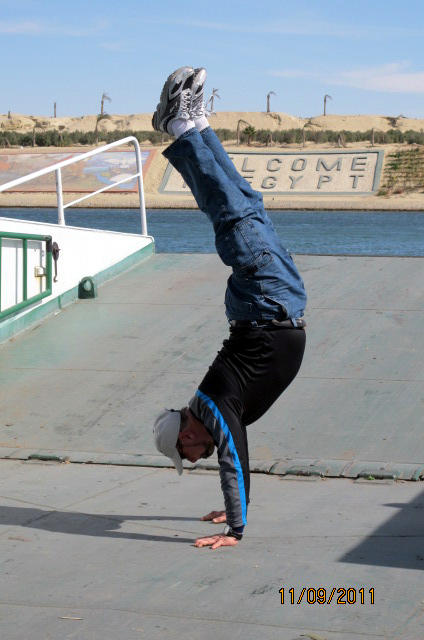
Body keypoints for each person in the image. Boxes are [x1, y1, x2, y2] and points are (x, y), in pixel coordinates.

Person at [152, 67, 307, 550]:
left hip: (264, 299)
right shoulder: (218, 411)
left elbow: (230, 460)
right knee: (245, 205)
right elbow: (237, 452)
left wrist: (234, 530)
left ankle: (179, 126)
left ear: (186, 436)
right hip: (267, 303)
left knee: (231, 213)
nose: (194, 460)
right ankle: (196, 125)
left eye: (187, 456)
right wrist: (234, 506)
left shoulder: (213, 407)